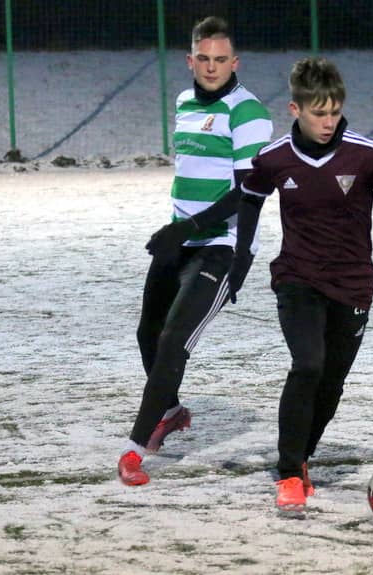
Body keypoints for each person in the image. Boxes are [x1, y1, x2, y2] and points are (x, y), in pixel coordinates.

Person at [226, 57, 373, 512]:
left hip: (353, 285)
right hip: (296, 279)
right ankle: (289, 473)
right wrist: (240, 260)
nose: (328, 122)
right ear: (295, 109)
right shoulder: (274, 158)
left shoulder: (366, 153)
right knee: (307, 364)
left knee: (330, 382)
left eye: (335, 111)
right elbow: (249, 201)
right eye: (319, 113)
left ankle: (302, 457)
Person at [117, 16, 273, 486]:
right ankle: (170, 412)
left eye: (220, 59)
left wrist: (196, 230)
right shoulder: (184, 103)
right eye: (203, 58)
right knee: (147, 334)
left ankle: (134, 451)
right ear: (190, 60)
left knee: (173, 341)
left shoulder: (248, 112)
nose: (211, 67)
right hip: (179, 239)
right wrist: (176, 230)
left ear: (234, 62)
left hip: (220, 246)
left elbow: (248, 192)